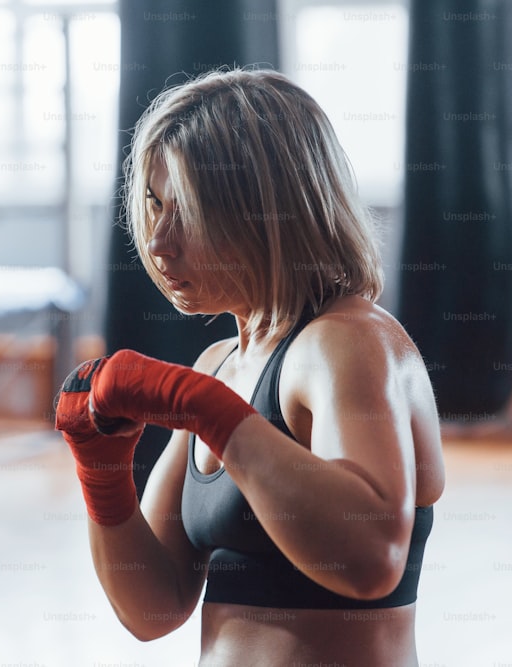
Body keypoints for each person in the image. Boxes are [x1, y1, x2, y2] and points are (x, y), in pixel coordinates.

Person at [54, 67, 445, 666]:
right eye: (155, 206)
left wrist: (206, 410)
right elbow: (152, 609)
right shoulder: (218, 366)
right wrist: (102, 470)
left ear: (267, 212)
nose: (159, 243)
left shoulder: (349, 342)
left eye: (188, 211)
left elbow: (371, 560)